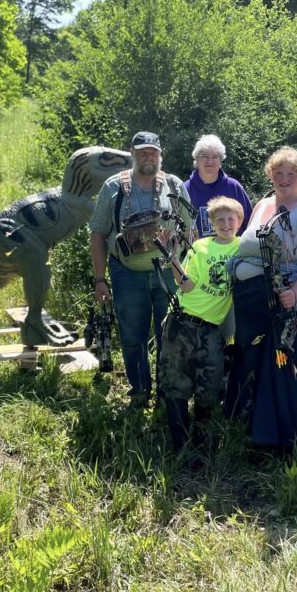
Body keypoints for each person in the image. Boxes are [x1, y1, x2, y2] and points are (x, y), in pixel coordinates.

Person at [225, 147, 297, 449]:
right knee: (261, 362)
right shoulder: (262, 204)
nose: (284, 179)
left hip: (295, 301)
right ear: (270, 175)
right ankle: (260, 430)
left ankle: (293, 437)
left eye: (291, 174)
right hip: (258, 303)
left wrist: (295, 292)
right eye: (278, 173)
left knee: (292, 360)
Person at [89, 131, 191, 406]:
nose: (148, 157)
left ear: (160, 155)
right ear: (132, 154)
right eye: (143, 152)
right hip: (127, 275)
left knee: (169, 335)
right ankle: (139, 391)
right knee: (133, 337)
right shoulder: (113, 187)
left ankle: (166, 394)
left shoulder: (174, 185)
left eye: (153, 152)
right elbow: (98, 233)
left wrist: (184, 270)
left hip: (168, 273)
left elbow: (189, 229)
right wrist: (100, 279)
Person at [159, 196, 243, 452]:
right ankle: (180, 447)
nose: (226, 224)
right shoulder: (200, 247)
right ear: (212, 224)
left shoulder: (243, 248)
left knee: (209, 385)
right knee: (176, 383)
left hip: (211, 329)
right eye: (220, 220)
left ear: (239, 221)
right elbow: (185, 284)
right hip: (182, 322)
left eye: (231, 219)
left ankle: (203, 443)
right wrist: (173, 259)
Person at [183, 135, 253, 237]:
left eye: (215, 157)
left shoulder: (234, 187)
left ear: (221, 161)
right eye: (205, 156)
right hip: (197, 247)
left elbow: (250, 223)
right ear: (196, 159)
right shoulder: (185, 189)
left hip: (234, 247)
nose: (209, 161)